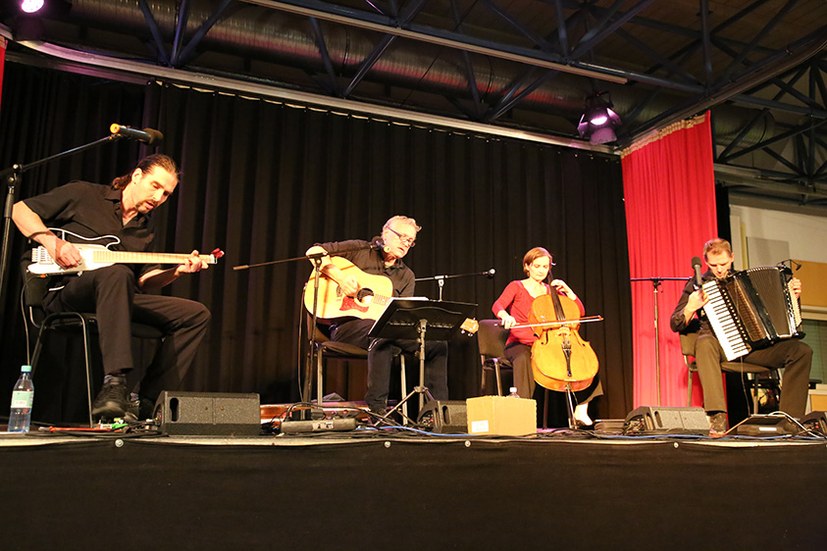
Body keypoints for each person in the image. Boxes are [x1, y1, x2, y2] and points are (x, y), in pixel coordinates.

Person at [12, 154, 212, 421]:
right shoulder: (84, 194)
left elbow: (143, 281)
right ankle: (114, 384)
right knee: (117, 273)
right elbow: (20, 210)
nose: (159, 197)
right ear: (137, 176)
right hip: (66, 292)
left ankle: (144, 402)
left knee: (195, 314)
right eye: (155, 186)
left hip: (116, 294)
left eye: (166, 194)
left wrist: (176, 271)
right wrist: (53, 243)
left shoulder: (145, 229)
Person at [305, 215, 448, 415]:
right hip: (346, 327)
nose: (406, 244)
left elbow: (403, 316)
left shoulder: (406, 275)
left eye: (411, 241)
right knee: (384, 334)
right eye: (402, 237)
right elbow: (314, 251)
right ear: (386, 233)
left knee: (437, 344)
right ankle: (377, 410)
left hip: (385, 329)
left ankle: (437, 413)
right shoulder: (360, 249)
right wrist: (340, 276)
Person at [670, 238, 812, 437]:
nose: (719, 270)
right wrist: (691, 307)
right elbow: (675, 323)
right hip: (720, 348)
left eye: (724, 264)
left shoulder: (747, 281)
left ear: (732, 258)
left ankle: (790, 421)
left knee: (801, 351)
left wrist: (790, 296)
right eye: (713, 265)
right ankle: (717, 417)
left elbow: (774, 313)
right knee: (704, 342)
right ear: (706, 262)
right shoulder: (698, 284)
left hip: (753, 348)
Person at [492, 247, 601, 426]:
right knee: (523, 359)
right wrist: (506, 316)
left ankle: (581, 409)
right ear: (527, 266)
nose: (542, 270)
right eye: (537, 266)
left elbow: (578, 312)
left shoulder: (552, 291)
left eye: (545, 266)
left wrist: (568, 291)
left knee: (585, 361)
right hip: (521, 343)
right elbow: (498, 305)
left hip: (549, 344)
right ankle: (522, 415)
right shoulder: (517, 286)